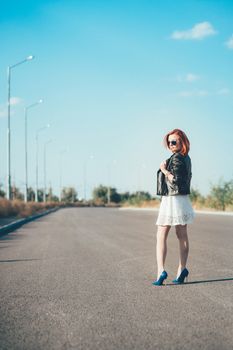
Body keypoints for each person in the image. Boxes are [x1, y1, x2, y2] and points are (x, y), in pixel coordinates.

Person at [152, 128, 195, 286]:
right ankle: (181, 269)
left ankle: (160, 271)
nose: (171, 144)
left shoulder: (176, 158)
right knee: (181, 234)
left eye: (174, 141)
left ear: (182, 142)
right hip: (182, 199)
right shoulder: (186, 158)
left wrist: (164, 170)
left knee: (161, 234)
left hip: (172, 199)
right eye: (169, 142)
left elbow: (174, 179)